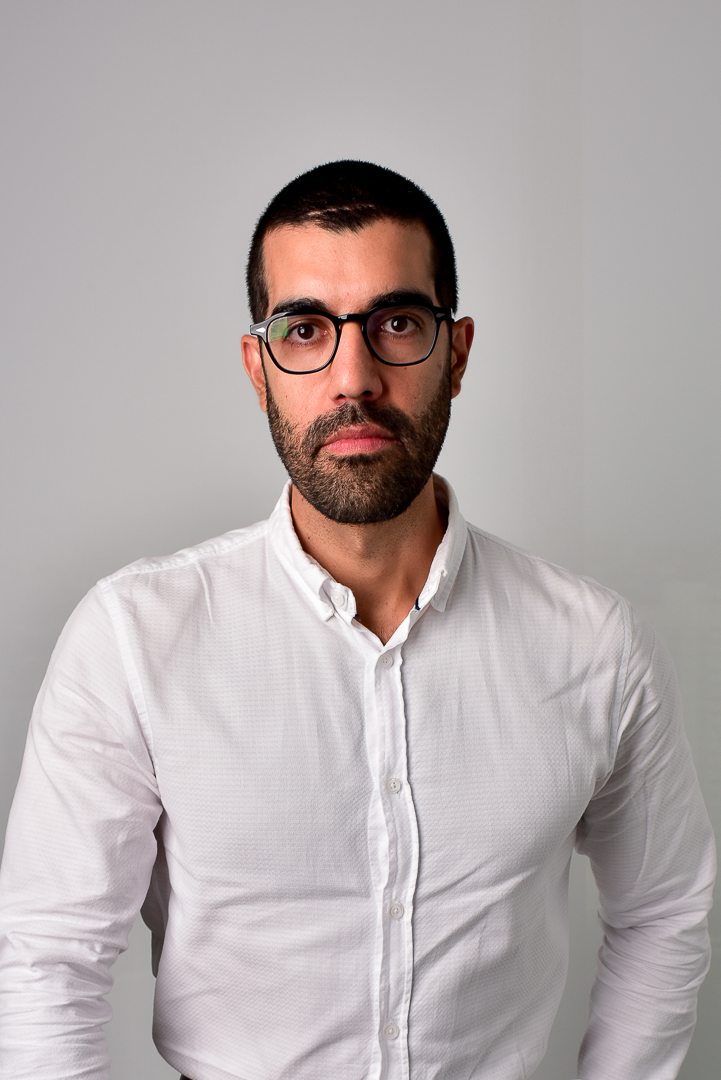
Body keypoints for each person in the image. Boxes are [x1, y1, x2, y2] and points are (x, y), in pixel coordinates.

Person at [0, 160, 715, 1080]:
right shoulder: (134, 641)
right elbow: (47, 962)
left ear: (456, 354)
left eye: (397, 323)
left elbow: (662, 912)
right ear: (258, 369)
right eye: (304, 329)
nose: (353, 378)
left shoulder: (596, 647)